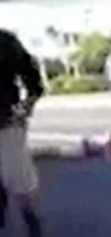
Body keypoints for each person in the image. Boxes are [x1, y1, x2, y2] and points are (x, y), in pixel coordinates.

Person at [0, 29, 44, 237]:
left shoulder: (5, 41)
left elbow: (32, 77)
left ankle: (32, 222)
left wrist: (26, 106)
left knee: (19, 179)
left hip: (6, 121)